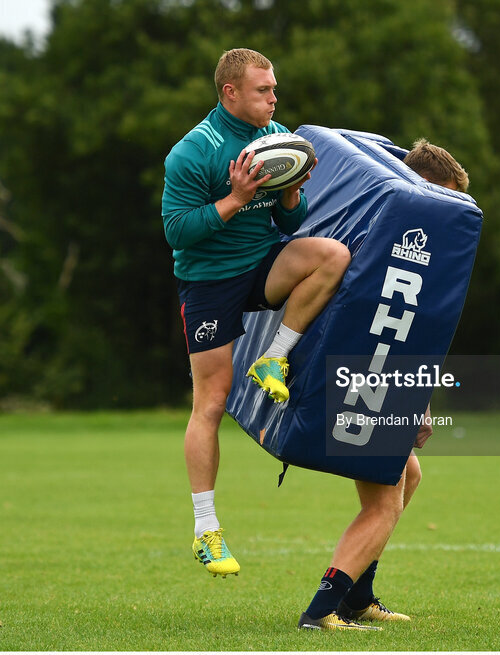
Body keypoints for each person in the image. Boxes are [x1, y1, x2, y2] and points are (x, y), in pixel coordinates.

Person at [162, 48, 351, 578]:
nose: (274, 98)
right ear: (231, 93)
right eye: (264, 91)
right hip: (208, 282)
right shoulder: (193, 152)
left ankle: (274, 358)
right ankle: (206, 531)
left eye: (274, 89)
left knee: (332, 255)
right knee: (211, 402)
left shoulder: (280, 140)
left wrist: (290, 195)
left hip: (262, 262)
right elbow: (177, 231)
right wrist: (234, 197)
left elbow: (292, 225)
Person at [297, 139, 470, 631]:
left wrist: (420, 400)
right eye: (448, 200)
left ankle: (357, 596)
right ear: (426, 190)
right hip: (357, 377)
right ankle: (323, 609)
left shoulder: (389, 229)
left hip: (365, 376)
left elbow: (408, 330)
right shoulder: (394, 240)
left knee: (407, 476)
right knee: (384, 500)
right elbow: (386, 327)